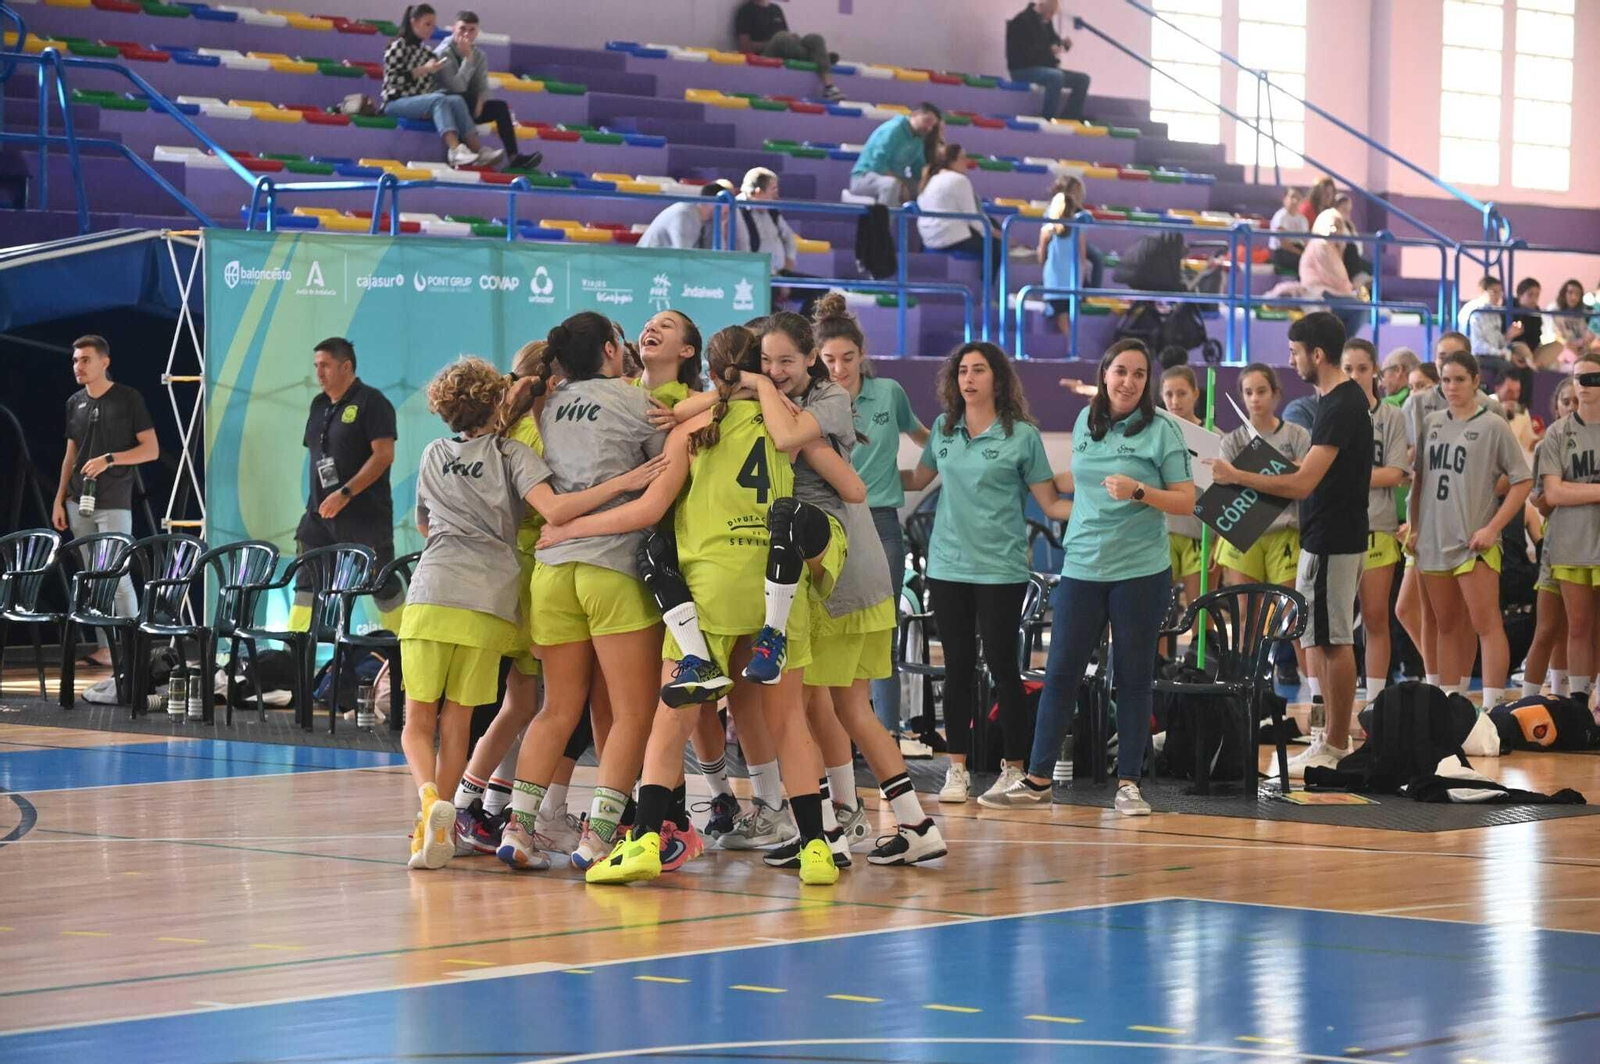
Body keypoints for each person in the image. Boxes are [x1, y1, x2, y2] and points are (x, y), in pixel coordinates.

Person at [551, 326, 845, 886]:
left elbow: (646, 511)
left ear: (709, 369)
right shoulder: (786, 422)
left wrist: (568, 526)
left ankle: (642, 843)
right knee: (788, 722)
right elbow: (852, 490)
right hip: (774, 584)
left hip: (705, 589)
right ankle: (815, 848)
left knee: (674, 716)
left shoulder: (692, 428)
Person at [984, 338, 1195, 813]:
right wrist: (1020, 472)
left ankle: (1129, 784)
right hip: (1081, 566)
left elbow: (1186, 499)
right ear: (1105, 374)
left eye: (1139, 374)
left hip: (1140, 571)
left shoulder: (1163, 430)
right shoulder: (1086, 421)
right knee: (1060, 673)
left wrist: (1140, 490)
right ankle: (1038, 779)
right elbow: (1075, 480)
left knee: (1135, 677)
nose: (1129, 381)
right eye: (1121, 371)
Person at [493, 312, 671, 872]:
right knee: (631, 714)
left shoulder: (544, 405)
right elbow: (675, 466)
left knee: (556, 708)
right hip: (612, 569)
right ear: (614, 351)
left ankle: (519, 830)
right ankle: (596, 838)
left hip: (551, 572)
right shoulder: (633, 401)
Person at [900, 342, 1071, 805]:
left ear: (997, 378)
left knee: (1002, 667)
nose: (969, 379)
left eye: (978, 370)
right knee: (954, 669)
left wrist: (1105, 505)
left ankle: (1013, 767)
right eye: (962, 371)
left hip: (1001, 567)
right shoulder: (944, 428)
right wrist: (854, 471)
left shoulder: (1023, 436)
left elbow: (1052, 502)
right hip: (948, 565)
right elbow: (917, 481)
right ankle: (956, 769)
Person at [1208, 311, 1373, 778]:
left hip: (1334, 540)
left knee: (1333, 640)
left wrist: (1235, 475)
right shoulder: (1333, 402)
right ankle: (1328, 738)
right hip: (1323, 536)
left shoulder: (1341, 405)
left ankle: (1336, 742)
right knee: (1318, 638)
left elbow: (1302, 483)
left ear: (1315, 354)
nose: (1291, 359)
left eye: (1295, 351)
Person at [816, 295, 931, 752]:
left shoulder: (890, 394)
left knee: (879, 632)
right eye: (829, 360)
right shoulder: (812, 401)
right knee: (825, 626)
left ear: (863, 355)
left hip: (880, 521)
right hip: (826, 520)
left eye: (847, 358)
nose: (839, 368)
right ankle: (831, 737)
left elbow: (929, 439)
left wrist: (918, 476)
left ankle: (883, 736)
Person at [1407, 349, 1532, 711]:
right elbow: (1420, 482)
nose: (1452, 386)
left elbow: (1523, 480)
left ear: (1476, 382)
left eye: (1460, 379)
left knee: (1486, 624)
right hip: (1432, 538)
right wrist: (1414, 526)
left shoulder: (1492, 424)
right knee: (1447, 626)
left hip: (1473, 541)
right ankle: (1451, 705)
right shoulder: (1431, 423)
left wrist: (1493, 527)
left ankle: (1493, 708)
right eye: (1446, 379)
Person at [52, 334, 159, 668]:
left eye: (85, 359)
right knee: (92, 576)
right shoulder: (75, 402)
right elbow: (70, 455)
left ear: (104, 362)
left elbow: (151, 450)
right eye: (75, 360)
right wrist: (59, 499)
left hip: (112, 499)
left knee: (115, 572)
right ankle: (105, 648)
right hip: (77, 500)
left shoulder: (128, 399)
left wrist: (110, 458)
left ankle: (134, 645)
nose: (78, 366)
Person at [1214, 364, 1314, 694]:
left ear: (1276, 394)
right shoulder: (1233, 441)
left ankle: (1313, 692)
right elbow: (1224, 490)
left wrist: (1246, 477)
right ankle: (1247, 686)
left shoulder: (1296, 436)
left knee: (1290, 616)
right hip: (1245, 536)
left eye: (1261, 391)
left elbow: (1304, 479)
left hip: (1284, 534)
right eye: (1248, 392)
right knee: (1245, 616)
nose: (1255, 399)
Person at [294, 337, 401, 633]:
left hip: (364, 516)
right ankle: (292, 657)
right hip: (319, 515)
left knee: (381, 584)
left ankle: (405, 650)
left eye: (325, 365)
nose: (318, 372)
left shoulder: (373, 402)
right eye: (316, 365)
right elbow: (320, 456)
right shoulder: (318, 405)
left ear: (346, 366)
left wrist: (345, 493)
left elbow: (383, 456)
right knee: (306, 582)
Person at [1341, 339, 1411, 705]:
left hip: (1379, 527)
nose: (1354, 376)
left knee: (1375, 617)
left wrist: (1347, 474)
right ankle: (1330, 702)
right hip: (1337, 530)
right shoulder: (1332, 410)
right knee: (1335, 625)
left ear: (1375, 374)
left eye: (1362, 369)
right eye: (1348, 369)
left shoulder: (1392, 417)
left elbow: (1397, 473)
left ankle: (1376, 702)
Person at [1534, 356, 1600, 716]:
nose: (1584, 384)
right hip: (1571, 541)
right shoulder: (1558, 432)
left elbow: (1564, 491)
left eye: (1592, 377)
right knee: (1577, 627)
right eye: (1578, 378)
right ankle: (1578, 706)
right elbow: (1553, 494)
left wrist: (1576, 490)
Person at [381, 4, 503, 168]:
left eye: (433, 25)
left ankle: (478, 150)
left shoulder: (426, 51)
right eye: (427, 24)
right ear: (414, 22)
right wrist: (424, 70)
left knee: (456, 100)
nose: (431, 29)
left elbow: (426, 87)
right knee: (438, 99)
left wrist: (425, 102)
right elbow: (394, 80)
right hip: (395, 102)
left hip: (417, 102)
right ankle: (455, 150)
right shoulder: (398, 46)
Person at [1522, 376, 1577, 699]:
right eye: (1565, 401)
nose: (1570, 406)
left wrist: (1565, 493)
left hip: (1590, 547)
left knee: (1582, 628)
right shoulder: (1548, 443)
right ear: (1555, 406)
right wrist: (1553, 496)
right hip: (1555, 545)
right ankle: (1531, 699)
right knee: (1548, 627)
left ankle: (1577, 697)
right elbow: (1543, 499)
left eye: (1575, 400)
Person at [432, 11, 540, 170]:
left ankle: (514, 156)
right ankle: (462, 154)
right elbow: (456, 87)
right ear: (454, 28)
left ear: (477, 32)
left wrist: (481, 101)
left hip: (469, 104)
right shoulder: (443, 53)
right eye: (462, 29)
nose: (467, 34)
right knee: (462, 99)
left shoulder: (479, 55)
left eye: (472, 30)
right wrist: (467, 60)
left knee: (500, 108)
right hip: (447, 107)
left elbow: (482, 85)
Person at [1157, 366, 1212, 616]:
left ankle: (1200, 652)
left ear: (1195, 394)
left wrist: (1216, 544)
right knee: (1159, 615)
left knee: (1200, 614)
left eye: (1181, 393)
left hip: (1200, 535)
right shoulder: (1153, 436)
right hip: (1162, 533)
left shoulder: (1213, 437)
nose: (1175, 401)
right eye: (1169, 394)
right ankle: (1159, 657)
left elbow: (1224, 497)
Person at [916, 143, 1001, 276]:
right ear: (952, 161)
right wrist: (994, 233)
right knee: (995, 244)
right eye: (963, 158)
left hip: (929, 237)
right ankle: (988, 288)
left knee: (991, 222)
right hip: (948, 237)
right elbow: (972, 217)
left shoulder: (931, 179)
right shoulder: (959, 180)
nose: (967, 161)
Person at [734, 0, 843, 101]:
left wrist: (793, 38)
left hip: (785, 49)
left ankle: (829, 87)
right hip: (764, 57)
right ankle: (820, 58)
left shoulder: (776, 9)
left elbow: (788, 38)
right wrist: (773, 42)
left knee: (815, 38)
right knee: (782, 37)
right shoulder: (746, 10)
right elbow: (745, 47)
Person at [1004, 0, 1091, 122]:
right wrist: (1049, 50)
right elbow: (1023, 55)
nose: (1050, 17)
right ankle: (1048, 118)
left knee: (1083, 79)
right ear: (1042, 6)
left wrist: (1062, 43)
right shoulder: (1021, 21)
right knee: (1055, 76)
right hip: (1022, 69)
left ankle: (1070, 118)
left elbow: (1053, 40)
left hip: (1044, 67)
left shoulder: (1045, 21)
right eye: (1050, 13)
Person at [1039, 173, 1104, 333]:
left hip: (1066, 269)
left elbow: (1080, 255)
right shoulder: (1053, 216)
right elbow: (1043, 251)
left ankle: (1092, 291)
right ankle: (1072, 347)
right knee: (1064, 313)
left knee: (1096, 256)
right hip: (1062, 272)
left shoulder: (1078, 219)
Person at [850, 102, 941, 206]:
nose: (928, 128)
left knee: (930, 189)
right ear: (915, 114)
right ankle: (884, 222)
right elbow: (878, 165)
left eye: (932, 126)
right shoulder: (893, 129)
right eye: (927, 121)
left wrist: (931, 182)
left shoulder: (918, 140)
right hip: (865, 177)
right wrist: (901, 184)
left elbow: (918, 169)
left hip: (897, 179)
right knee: (892, 186)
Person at [1299, 207, 1365, 340]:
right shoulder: (1321, 244)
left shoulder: (1332, 247)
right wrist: (1349, 290)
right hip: (1320, 292)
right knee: (1361, 308)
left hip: (1331, 292)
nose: (1336, 231)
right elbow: (1336, 277)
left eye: (1339, 227)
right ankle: (1344, 346)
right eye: (1333, 226)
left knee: (1361, 307)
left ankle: (1342, 345)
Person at [637, 182, 730, 250]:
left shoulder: (710, 220)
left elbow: (717, 255)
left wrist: (721, 227)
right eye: (726, 204)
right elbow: (682, 254)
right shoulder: (684, 214)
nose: (729, 210)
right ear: (711, 202)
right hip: (648, 264)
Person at [1459, 275, 1518, 357]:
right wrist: (1501, 354)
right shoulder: (1474, 310)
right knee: (1509, 366)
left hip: (1492, 355)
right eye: (1494, 292)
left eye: (1500, 293)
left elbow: (1498, 343)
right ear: (1482, 291)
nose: (1498, 296)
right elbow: (1477, 346)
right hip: (1477, 356)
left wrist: (1508, 336)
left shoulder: (1494, 312)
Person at [1546, 279, 1593, 367]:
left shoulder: (1583, 313)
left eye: (1577, 294)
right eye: (1570, 293)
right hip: (1562, 353)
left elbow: (1588, 335)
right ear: (1563, 294)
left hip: (1582, 350)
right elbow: (1554, 336)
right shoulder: (1554, 312)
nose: (1574, 297)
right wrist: (1569, 345)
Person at [1332, 192, 1372, 285]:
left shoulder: (1350, 226)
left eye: (1348, 210)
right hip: (1342, 254)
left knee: (1371, 267)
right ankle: (1356, 279)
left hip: (1355, 256)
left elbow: (1358, 244)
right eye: (1344, 209)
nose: (1346, 212)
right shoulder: (1333, 221)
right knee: (1351, 248)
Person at [1268, 187, 1309, 275]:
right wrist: (1303, 254)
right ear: (1285, 199)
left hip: (1298, 249)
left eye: (1298, 198)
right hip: (1281, 252)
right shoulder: (1280, 217)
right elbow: (1284, 245)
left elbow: (1306, 241)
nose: (1295, 201)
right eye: (1292, 197)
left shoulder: (1303, 219)